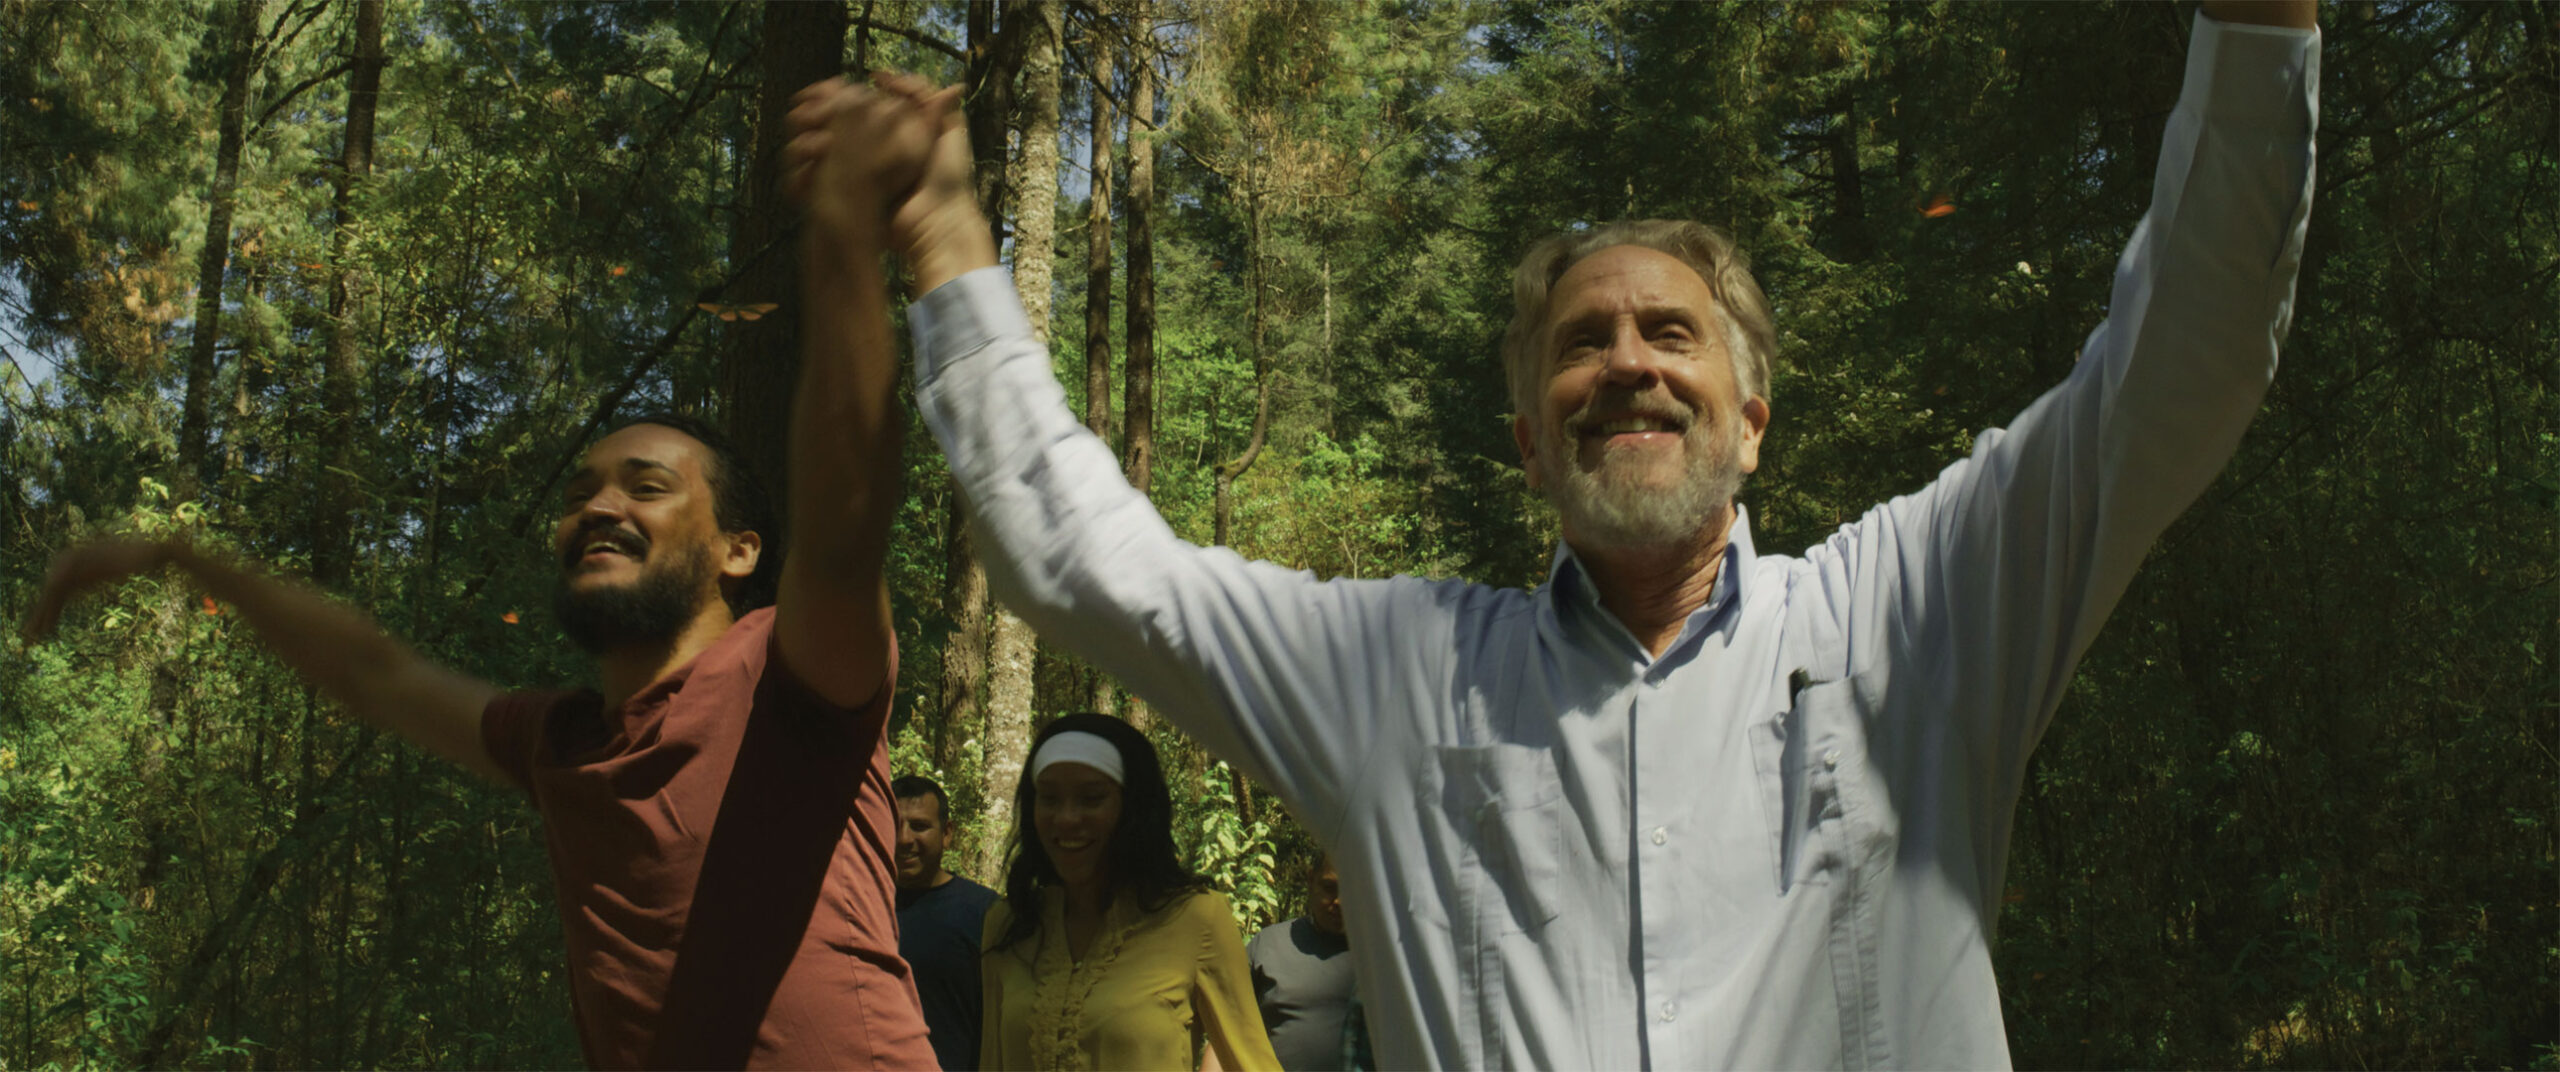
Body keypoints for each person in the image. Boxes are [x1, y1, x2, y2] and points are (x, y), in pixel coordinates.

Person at [804, 1, 2320, 1064]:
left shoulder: (1911, 618)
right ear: (1532, 442)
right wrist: (943, 237)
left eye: (1673, 331)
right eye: (1580, 346)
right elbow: (1079, 557)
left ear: (1752, 419)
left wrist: (2257, 27)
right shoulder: (1398, 674)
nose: (1630, 360)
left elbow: (2184, 357)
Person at [21, 78, 953, 1070]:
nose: (598, 507)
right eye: (585, 490)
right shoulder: (563, 744)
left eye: (645, 487)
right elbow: (375, 674)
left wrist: (844, 230)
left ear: (739, 549)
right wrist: (180, 554)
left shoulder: (792, 674)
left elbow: (848, 507)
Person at [975, 714, 1279, 1071]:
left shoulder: (1196, 918)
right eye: (1050, 798)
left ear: (1131, 809)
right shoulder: (1010, 924)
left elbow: (1252, 1063)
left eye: (1091, 799)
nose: (1067, 818)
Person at [895, 774, 999, 1071]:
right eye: (893, 824)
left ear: (947, 833)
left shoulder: (985, 912)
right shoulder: (862, 908)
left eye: (919, 826)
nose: (904, 839)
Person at [1246, 852, 1360, 1071]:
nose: (1339, 901)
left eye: (1351, 889)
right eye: (1329, 887)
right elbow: (1231, 1030)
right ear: (1310, 880)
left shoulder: (1384, 957)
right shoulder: (1268, 945)